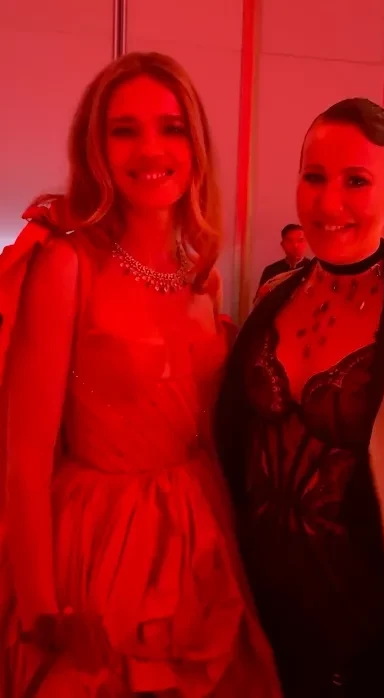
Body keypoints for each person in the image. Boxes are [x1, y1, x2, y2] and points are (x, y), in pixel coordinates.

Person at [0, 52, 281, 698]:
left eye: (171, 128)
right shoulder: (68, 265)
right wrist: (40, 603)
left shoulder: (203, 273)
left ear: (195, 144)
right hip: (98, 543)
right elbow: (25, 454)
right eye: (124, 130)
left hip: (199, 536)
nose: (150, 149)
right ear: (95, 148)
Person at [215, 98, 384, 698]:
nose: (328, 203)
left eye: (356, 182)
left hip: (365, 643)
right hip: (257, 632)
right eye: (314, 177)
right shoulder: (273, 298)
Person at [258, 223, 309, 288]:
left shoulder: (313, 268)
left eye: (300, 241)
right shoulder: (271, 271)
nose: (295, 245)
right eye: (290, 241)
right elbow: (262, 294)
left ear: (306, 243)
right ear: (282, 245)